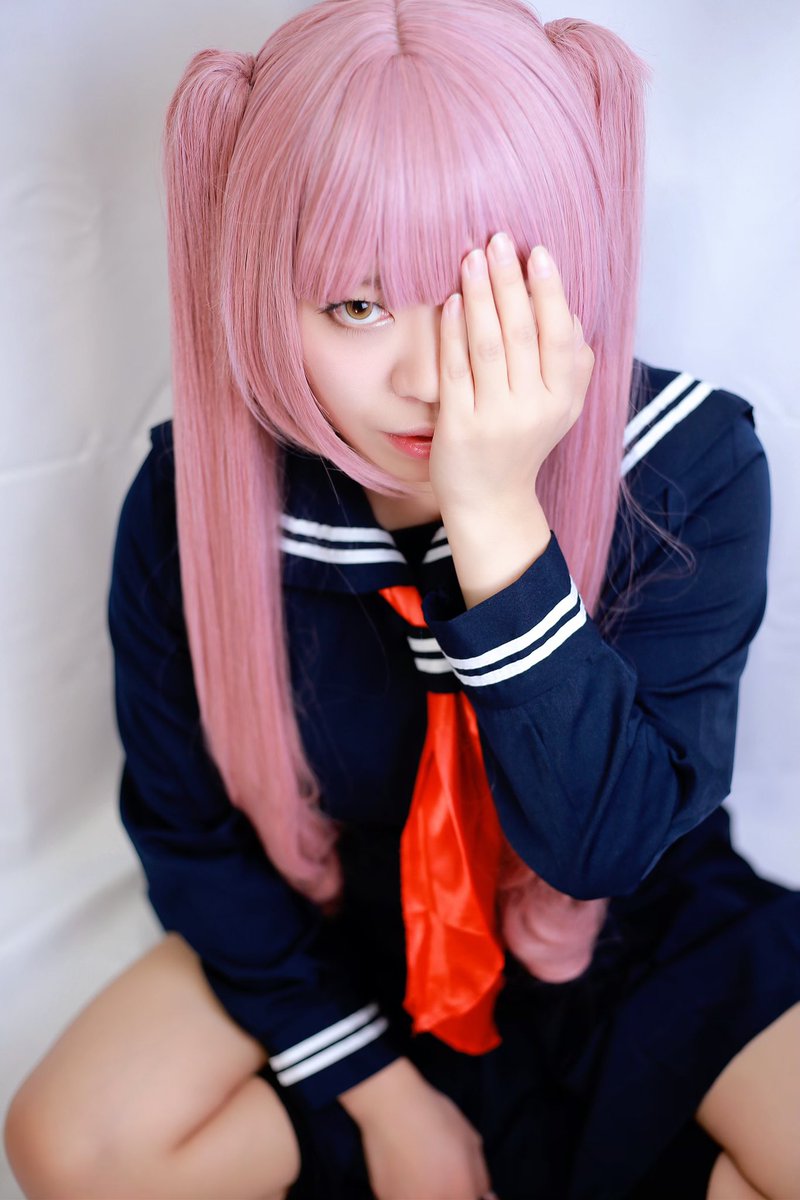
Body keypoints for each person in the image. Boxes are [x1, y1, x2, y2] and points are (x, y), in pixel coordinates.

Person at [4, 1, 799, 1197]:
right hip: (345, 921)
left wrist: (494, 516)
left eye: (483, 290)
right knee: (72, 1142)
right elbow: (185, 827)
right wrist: (381, 1100)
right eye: (357, 305)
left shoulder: (687, 465)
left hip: (630, 927)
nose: (429, 375)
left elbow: (605, 848)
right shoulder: (195, 501)